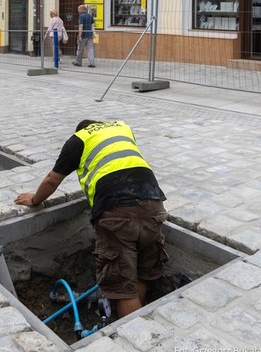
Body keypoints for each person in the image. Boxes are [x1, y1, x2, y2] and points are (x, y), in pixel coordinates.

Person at [14, 120, 168, 318]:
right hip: (154, 205)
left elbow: (52, 180)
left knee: (123, 288)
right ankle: (137, 323)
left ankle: (132, 332)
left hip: (117, 213)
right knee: (142, 271)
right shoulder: (122, 128)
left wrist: (34, 200)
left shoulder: (78, 140)